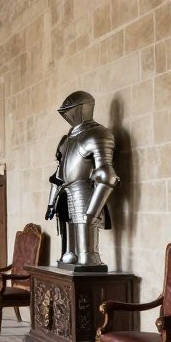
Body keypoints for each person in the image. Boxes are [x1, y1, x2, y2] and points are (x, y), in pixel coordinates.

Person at [50, 91, 118, 270]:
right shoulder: (66, 140)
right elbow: (58, 175)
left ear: (81, 109)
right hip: (65, 192)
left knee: (87, 258)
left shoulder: (98, 134)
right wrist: (51, 204)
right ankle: (69, 254)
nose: (67, 115)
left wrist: (92, 214)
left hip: (84, 191)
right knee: (69, 255)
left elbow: (107, 175)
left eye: (69, 111)